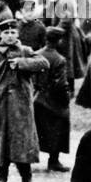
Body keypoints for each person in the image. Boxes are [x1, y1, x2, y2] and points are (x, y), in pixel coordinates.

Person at [0, 17, 49, 182]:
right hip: (0, 108)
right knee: (1, 143)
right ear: (0, 34)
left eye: (13, 32)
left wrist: (23, 63)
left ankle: (27, 180)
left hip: (22, 108)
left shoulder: (25, 51)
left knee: (24, 143)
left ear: (18, 33)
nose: (9, 36)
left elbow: (44, 63)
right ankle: (2, 179)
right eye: (6, 32)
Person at [34, 25, 73, 173]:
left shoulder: (36, 54)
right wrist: (66, 99)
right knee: (60, 124)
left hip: (37, 97)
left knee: (37, 128)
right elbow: (61, 84)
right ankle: (54, 160)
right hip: (53, 100)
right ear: (59, 41)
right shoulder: (59, 59)